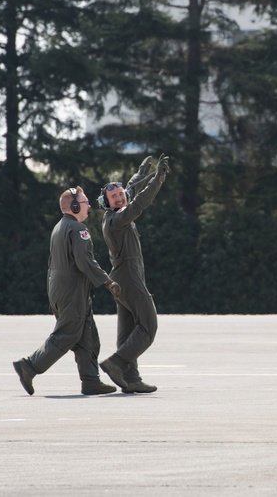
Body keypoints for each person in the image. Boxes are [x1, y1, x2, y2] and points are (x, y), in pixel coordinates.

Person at [13, 186, 122, 396]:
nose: (89, 205)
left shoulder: (59, 227)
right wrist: (108, 282)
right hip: (72, 292)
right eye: (85, 202)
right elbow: (85, 261)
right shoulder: (78, 229)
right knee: (67, 334)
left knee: (87, 336)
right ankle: (29, 366)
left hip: (62, 290)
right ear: (73, 206)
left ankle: (91, 381)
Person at [97, 154, 169, 394]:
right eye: (113, 197)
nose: (119, 198)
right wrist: (157, 180)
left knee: (127, 331)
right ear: (106, 203)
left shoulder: (116, 213)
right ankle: (116, 363)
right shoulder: (118, 219)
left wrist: (140, 173)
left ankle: (131, 379)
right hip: (128, 275)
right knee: (148, 325)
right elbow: (138, 203)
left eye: (119, 195)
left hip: (123, 276)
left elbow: (129, 191)